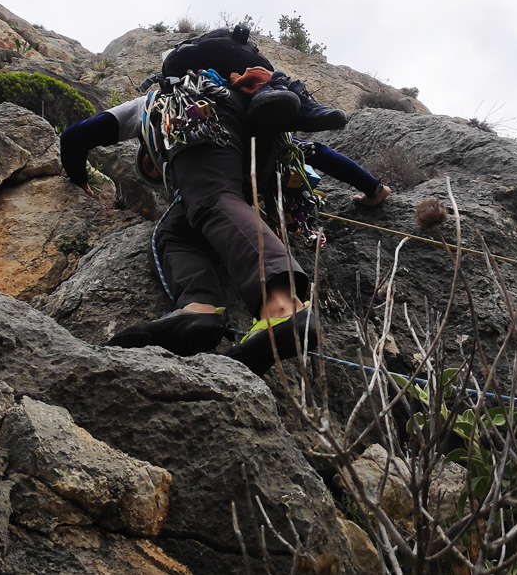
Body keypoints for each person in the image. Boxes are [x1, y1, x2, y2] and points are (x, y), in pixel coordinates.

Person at [60, 88, 390, 375]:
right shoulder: (247, 116)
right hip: (247, 164)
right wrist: (372, 188)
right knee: (175, 231)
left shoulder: (154, 107)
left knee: (213, 200)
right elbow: (314, 152)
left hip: (206, 135)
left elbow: (75, 137)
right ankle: (199, 310)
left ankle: (283, 310)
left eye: (151, 164)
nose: (154, 169)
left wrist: (79, 179)